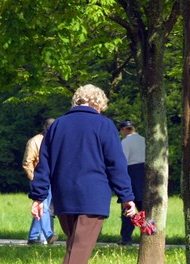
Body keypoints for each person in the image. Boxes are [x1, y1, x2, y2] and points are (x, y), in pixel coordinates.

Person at [29, 84, 137, 264]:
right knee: (78, 253)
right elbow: (116, 164)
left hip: (64, 196)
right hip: (92, 197)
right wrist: (126, 196)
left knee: (75, 248)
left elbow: (44, 163)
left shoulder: (57, 125)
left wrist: (38, 197)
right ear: (99, 103)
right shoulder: (104, 125)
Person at [22, 118, 58, 245]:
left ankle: (33, 237)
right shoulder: (34, 141)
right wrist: (35, 180)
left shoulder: (55, 140)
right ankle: (48, 235)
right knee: (44, 208)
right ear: (44, 127)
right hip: (39, 180)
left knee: (42, 208)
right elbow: (27, 163)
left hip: (52, 180)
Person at [118, 120, 146, 245]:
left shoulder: (125, 142)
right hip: (145, 173)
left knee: (128, 205)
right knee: (143, 207)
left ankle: (126, 237)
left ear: (124, 129)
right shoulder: (144, 139)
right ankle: (147, 232)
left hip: (132, 173)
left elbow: (123, 161)